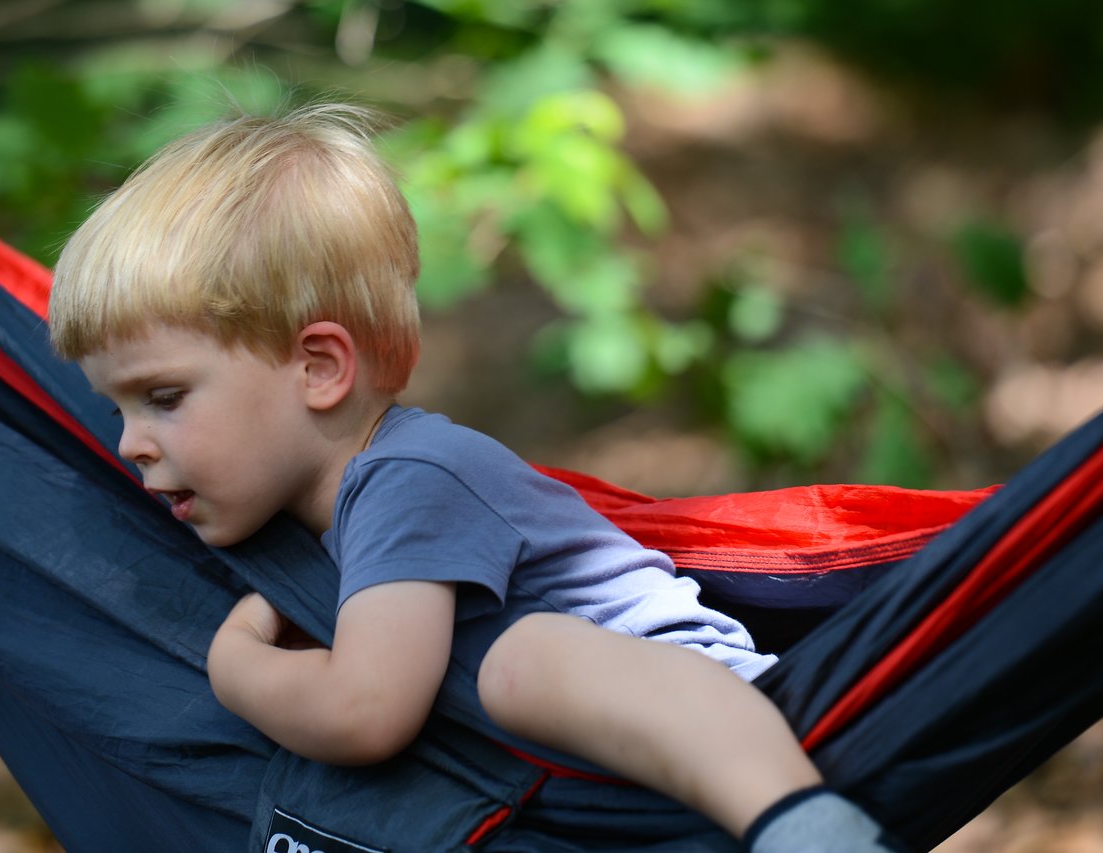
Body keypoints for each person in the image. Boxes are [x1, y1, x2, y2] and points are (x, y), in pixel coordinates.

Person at [48, 102, 901, 852]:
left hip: (713, 710)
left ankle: (804, 825)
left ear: (317, 368)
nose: (129, 442)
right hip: (589, 784)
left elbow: (365, 712)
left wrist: (235, 667)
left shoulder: (409, 479)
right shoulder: (324, 511)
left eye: (163, 397)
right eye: (119, 408)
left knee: (519, 663)